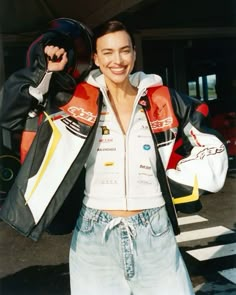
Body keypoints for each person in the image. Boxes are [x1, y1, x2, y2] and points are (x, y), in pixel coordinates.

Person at [0, 20, 228, 294]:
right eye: (107, 52)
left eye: (124, 50)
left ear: (134, 53)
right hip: (94, 236)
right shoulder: (73, 99)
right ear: (95, 57)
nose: (117, 60)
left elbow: (211, 144)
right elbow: (10, 114)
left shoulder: (163, 99)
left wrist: (181, 182)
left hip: (154, 231)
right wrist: (45, 70)